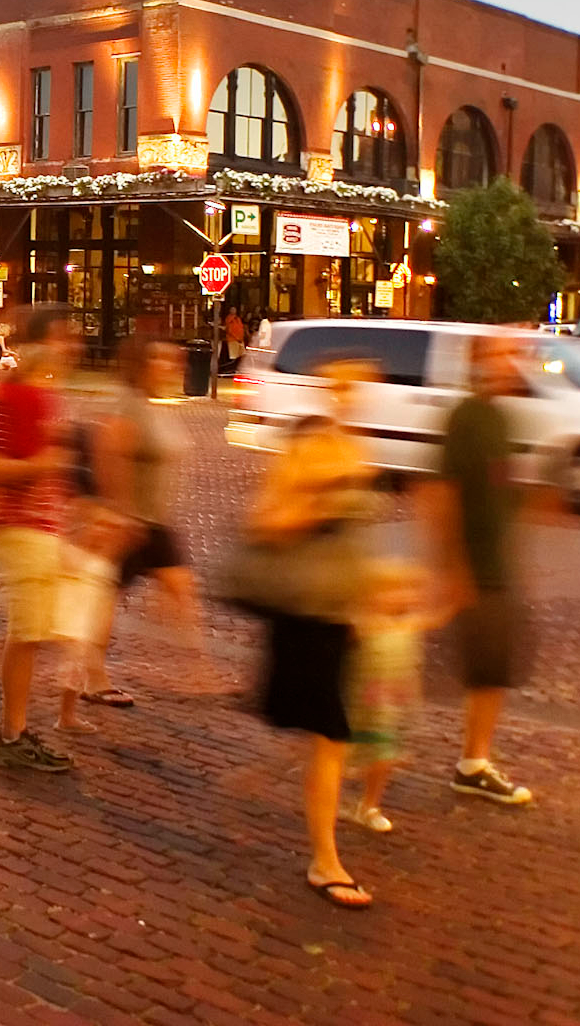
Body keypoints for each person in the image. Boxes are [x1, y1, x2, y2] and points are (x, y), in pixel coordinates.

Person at [250, 360, 382, 909]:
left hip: (335, 612)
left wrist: (369, 597)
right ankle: (324, 861)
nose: (356, 396)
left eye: (365, 388)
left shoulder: (354, 448)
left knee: (330, 734)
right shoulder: (312, 447)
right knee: (330, 735)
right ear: (332, 390)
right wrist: (323, 500)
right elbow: (267, 522)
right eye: (348, 386)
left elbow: (349, 543)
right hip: (304, 611)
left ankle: (322, 851)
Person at [0, 303, 82, 772]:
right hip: (18, 530)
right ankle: (13, 734)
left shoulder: (44, 396)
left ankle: (15, 729)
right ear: (30, 345)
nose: (71, 347)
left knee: (31, 634)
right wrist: (42, 467)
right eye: (62, 338)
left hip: (40, 530)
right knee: (28, 634)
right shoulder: (2, 397)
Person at [422, 331, 540, 807]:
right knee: (485, 670)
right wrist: (452, 568)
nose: (509, 363)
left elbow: (501, 490)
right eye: (499, 355)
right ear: (478, 364)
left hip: (496, 568)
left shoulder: (500, 417)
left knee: (493, 671)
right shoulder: (469, 416)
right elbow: (441, 492)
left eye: (514, 355)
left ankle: (474, 760)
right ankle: (470, 764)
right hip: (477, 570)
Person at [78, 337, 205, 710]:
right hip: (131, 521)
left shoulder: (154, 405)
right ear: (141, 365)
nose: (170, 366)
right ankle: (91, 677)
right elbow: (106, 454)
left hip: (155, 522)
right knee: (104, 600)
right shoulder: (128, 406)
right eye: (160, 360)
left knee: (182, 588)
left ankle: (198, 672)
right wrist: (118, 510)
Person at [342, 556, 447, 833]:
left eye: (408, 589)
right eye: (390, 590)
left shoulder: (410, 622)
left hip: (391, 707)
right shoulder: (364, 625)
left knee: (384, 756)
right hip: (361, 707)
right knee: (351, 753)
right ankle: (342, 786)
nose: (402, 596)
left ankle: (370, 806)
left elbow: (440, 615)